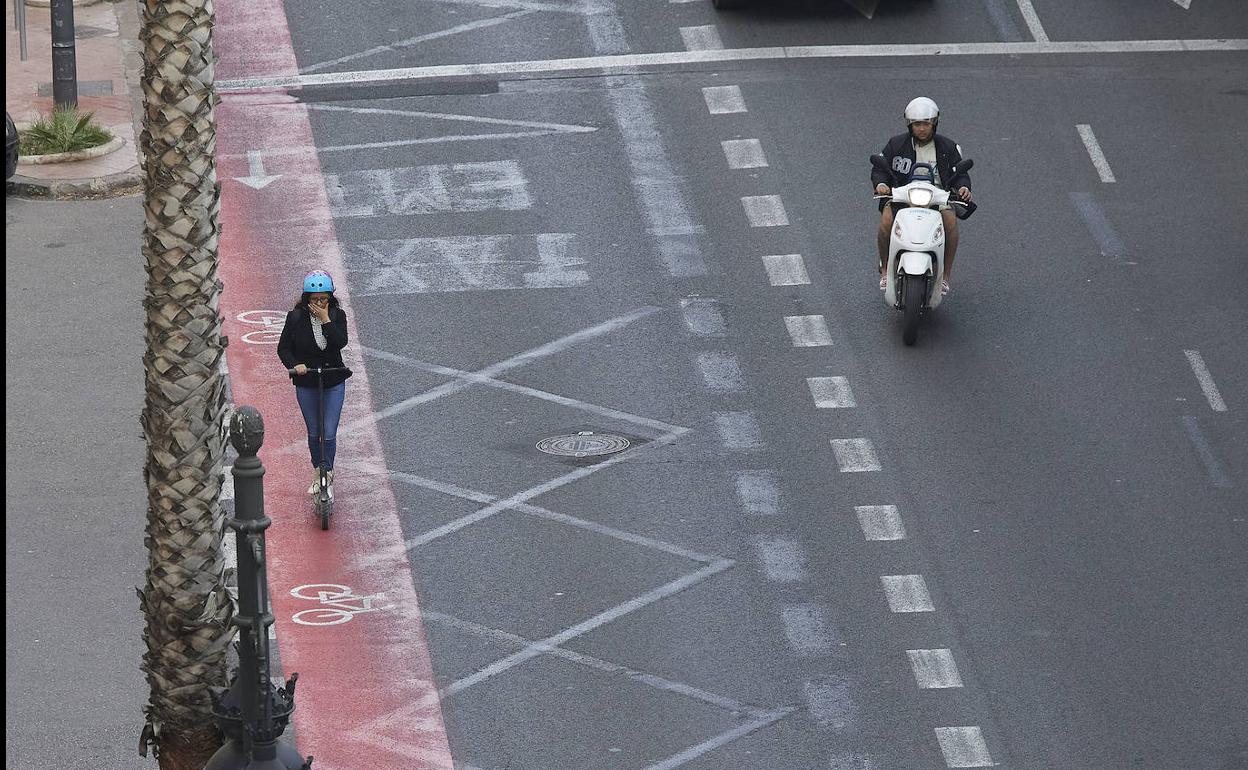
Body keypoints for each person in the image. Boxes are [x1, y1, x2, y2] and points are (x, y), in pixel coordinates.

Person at [871, 96, 972, 295]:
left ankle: (944, 276)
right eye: (917, 124)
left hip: (937, 197)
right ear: (910, 125)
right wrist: (881, 184)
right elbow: (880, 168)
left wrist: (963, 188)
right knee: (885, 222)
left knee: (951, 222)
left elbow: (960, 174)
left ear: (934, 123)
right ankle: (885, 271)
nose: (922, 129)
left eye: (926, 123)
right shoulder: (896, 144)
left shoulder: (947, 147)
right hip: (902, 196)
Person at [277, 270, 352, 497]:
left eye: (323, 299)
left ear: (330, 297)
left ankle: (327, 473)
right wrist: (295, 364)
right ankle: (318, 471)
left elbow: (341, 342)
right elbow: (283, 348)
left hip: (333, 379)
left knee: (328, 432)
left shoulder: (337, 316)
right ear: (306, 298)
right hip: (307, 380)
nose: (319, 303)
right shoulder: (295, 318)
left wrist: (326, 320)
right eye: (314, 299)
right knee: (313, 432)